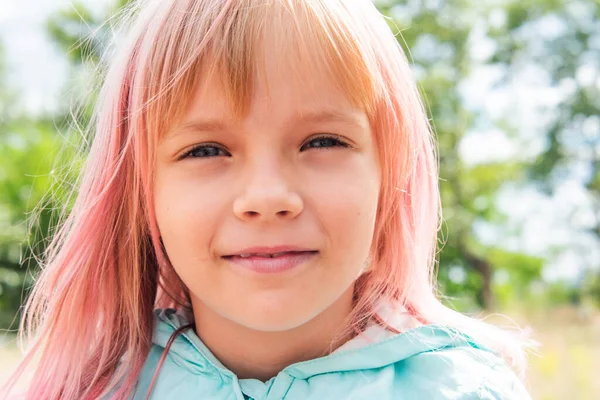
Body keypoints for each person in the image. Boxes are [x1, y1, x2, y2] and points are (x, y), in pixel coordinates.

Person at [2, 0, 536, 399]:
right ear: (143, 194)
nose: (267, 198)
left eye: (322, 141)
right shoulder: (89, 389)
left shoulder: (462, 390)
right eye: (206, 149)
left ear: (390, 174)